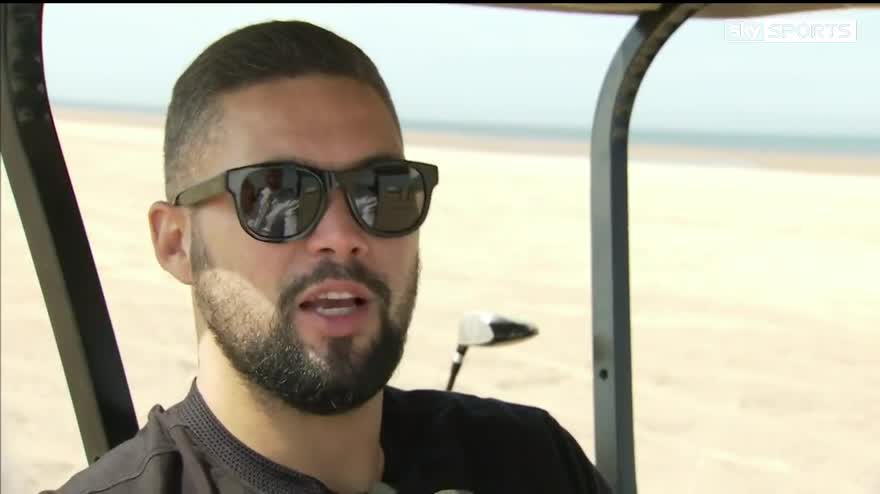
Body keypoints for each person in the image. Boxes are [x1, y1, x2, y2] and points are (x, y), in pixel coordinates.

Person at [42, 19, 611, 494]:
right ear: (176, 243)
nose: (341, 235)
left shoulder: (531, 461)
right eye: (277, 196)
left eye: (381, 190)